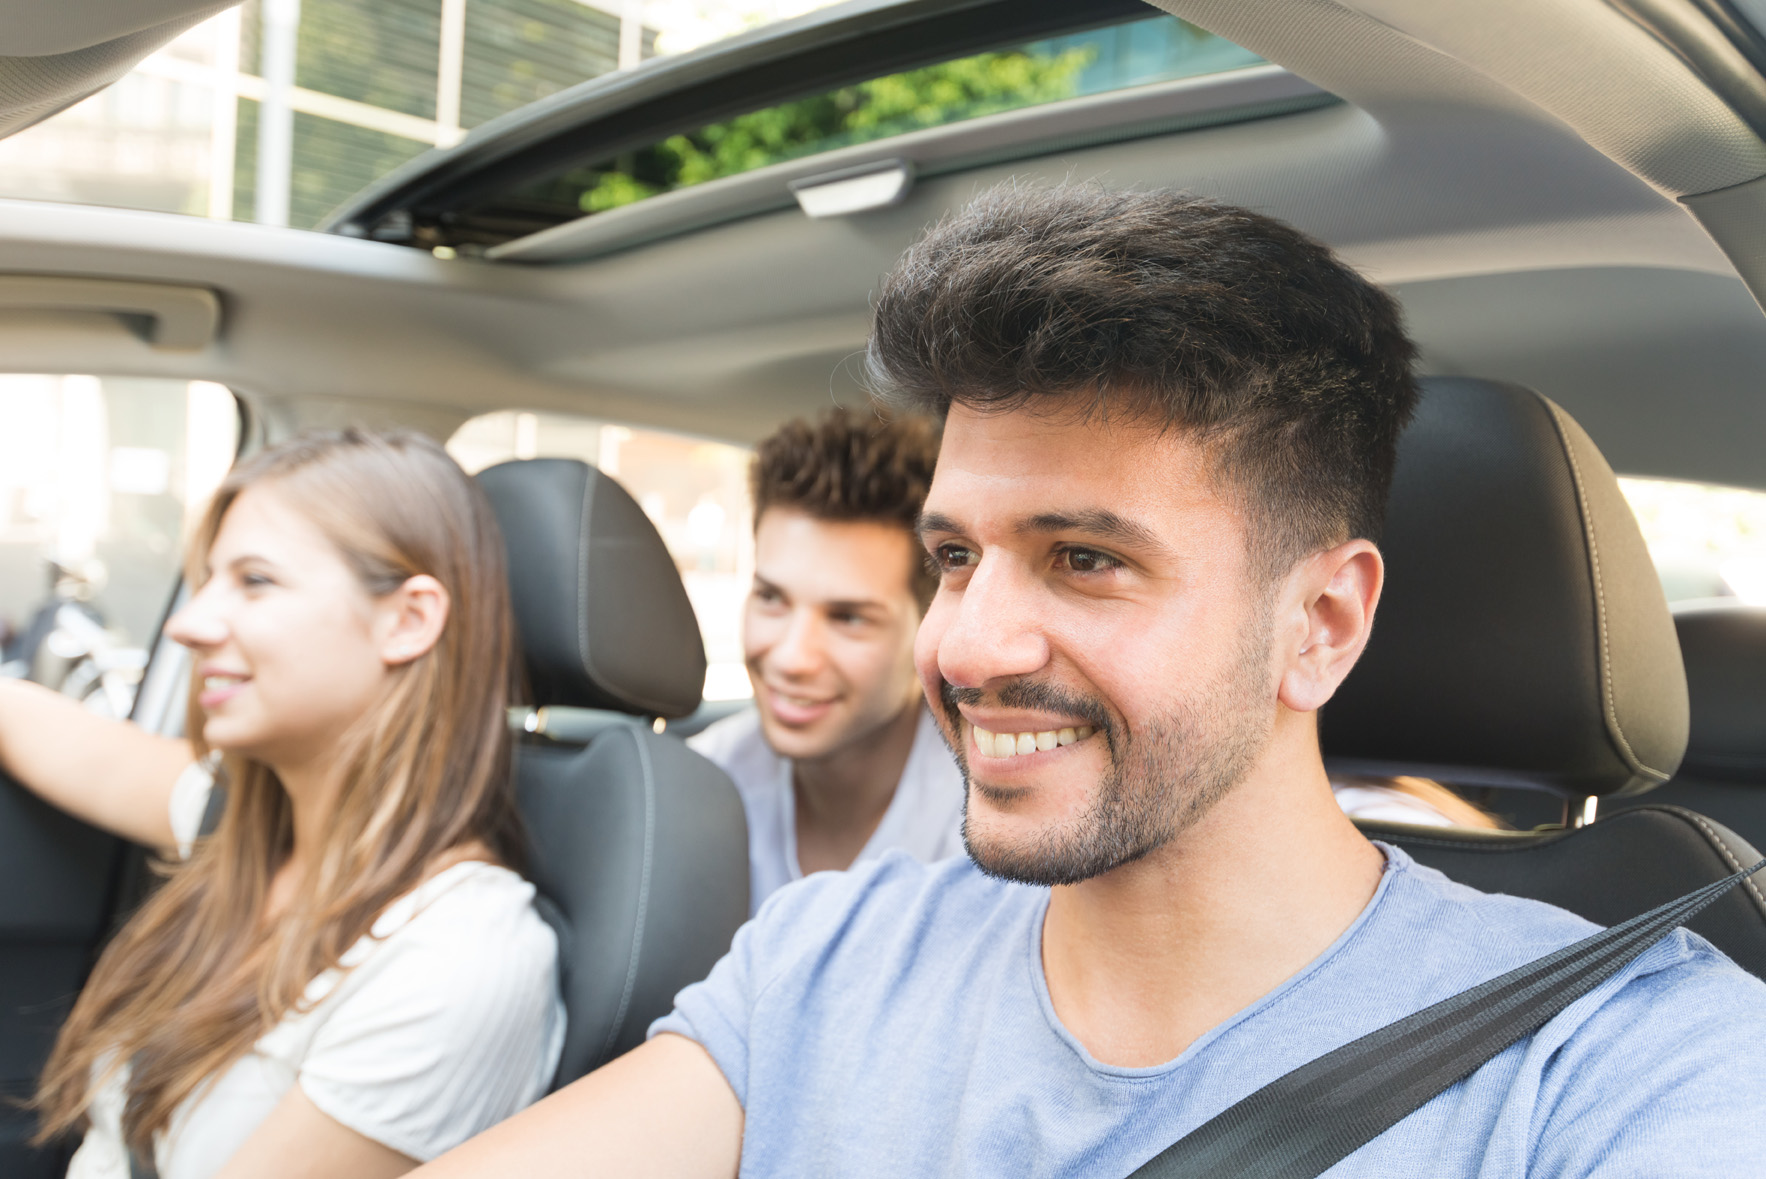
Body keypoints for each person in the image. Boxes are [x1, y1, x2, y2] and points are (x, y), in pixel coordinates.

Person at [412, 187, 1766, 1177]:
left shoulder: (1619, 1059)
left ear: (1322, 621)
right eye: (954, 553)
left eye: (1083, 556)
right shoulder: (827, 958)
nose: (963, 643)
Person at [0, 430, 563, 1178]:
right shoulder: (249, 826)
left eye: (255, 580)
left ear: (409, 620)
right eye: (206, 580)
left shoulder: (459, 954)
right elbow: (47, 734)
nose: (188, 623)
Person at [688, 409, 965, 914]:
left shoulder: (984, 824)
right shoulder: (698, 788)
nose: (792, 658)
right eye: (772, 598)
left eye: (848, 618)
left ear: (931, 626)